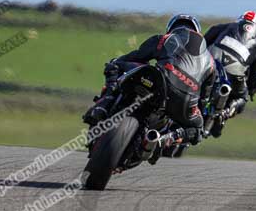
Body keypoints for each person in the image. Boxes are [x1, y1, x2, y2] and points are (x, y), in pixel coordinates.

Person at [83, 14, 216, 150]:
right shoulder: (211, 62)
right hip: (187, 100)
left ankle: (103, 105)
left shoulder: (165, 39)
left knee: (115, 64)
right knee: (198, 130)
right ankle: (166, 138)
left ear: (170, 28)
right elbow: (204, 99)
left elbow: (135, 57)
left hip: (161, 81)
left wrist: (118, 65)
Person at [203, 11, 256, 137]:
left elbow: (205, 40)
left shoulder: (228, 26)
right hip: (235, 73)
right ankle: (226, 112)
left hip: (212, 64)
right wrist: (251, 92)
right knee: (242, 98)